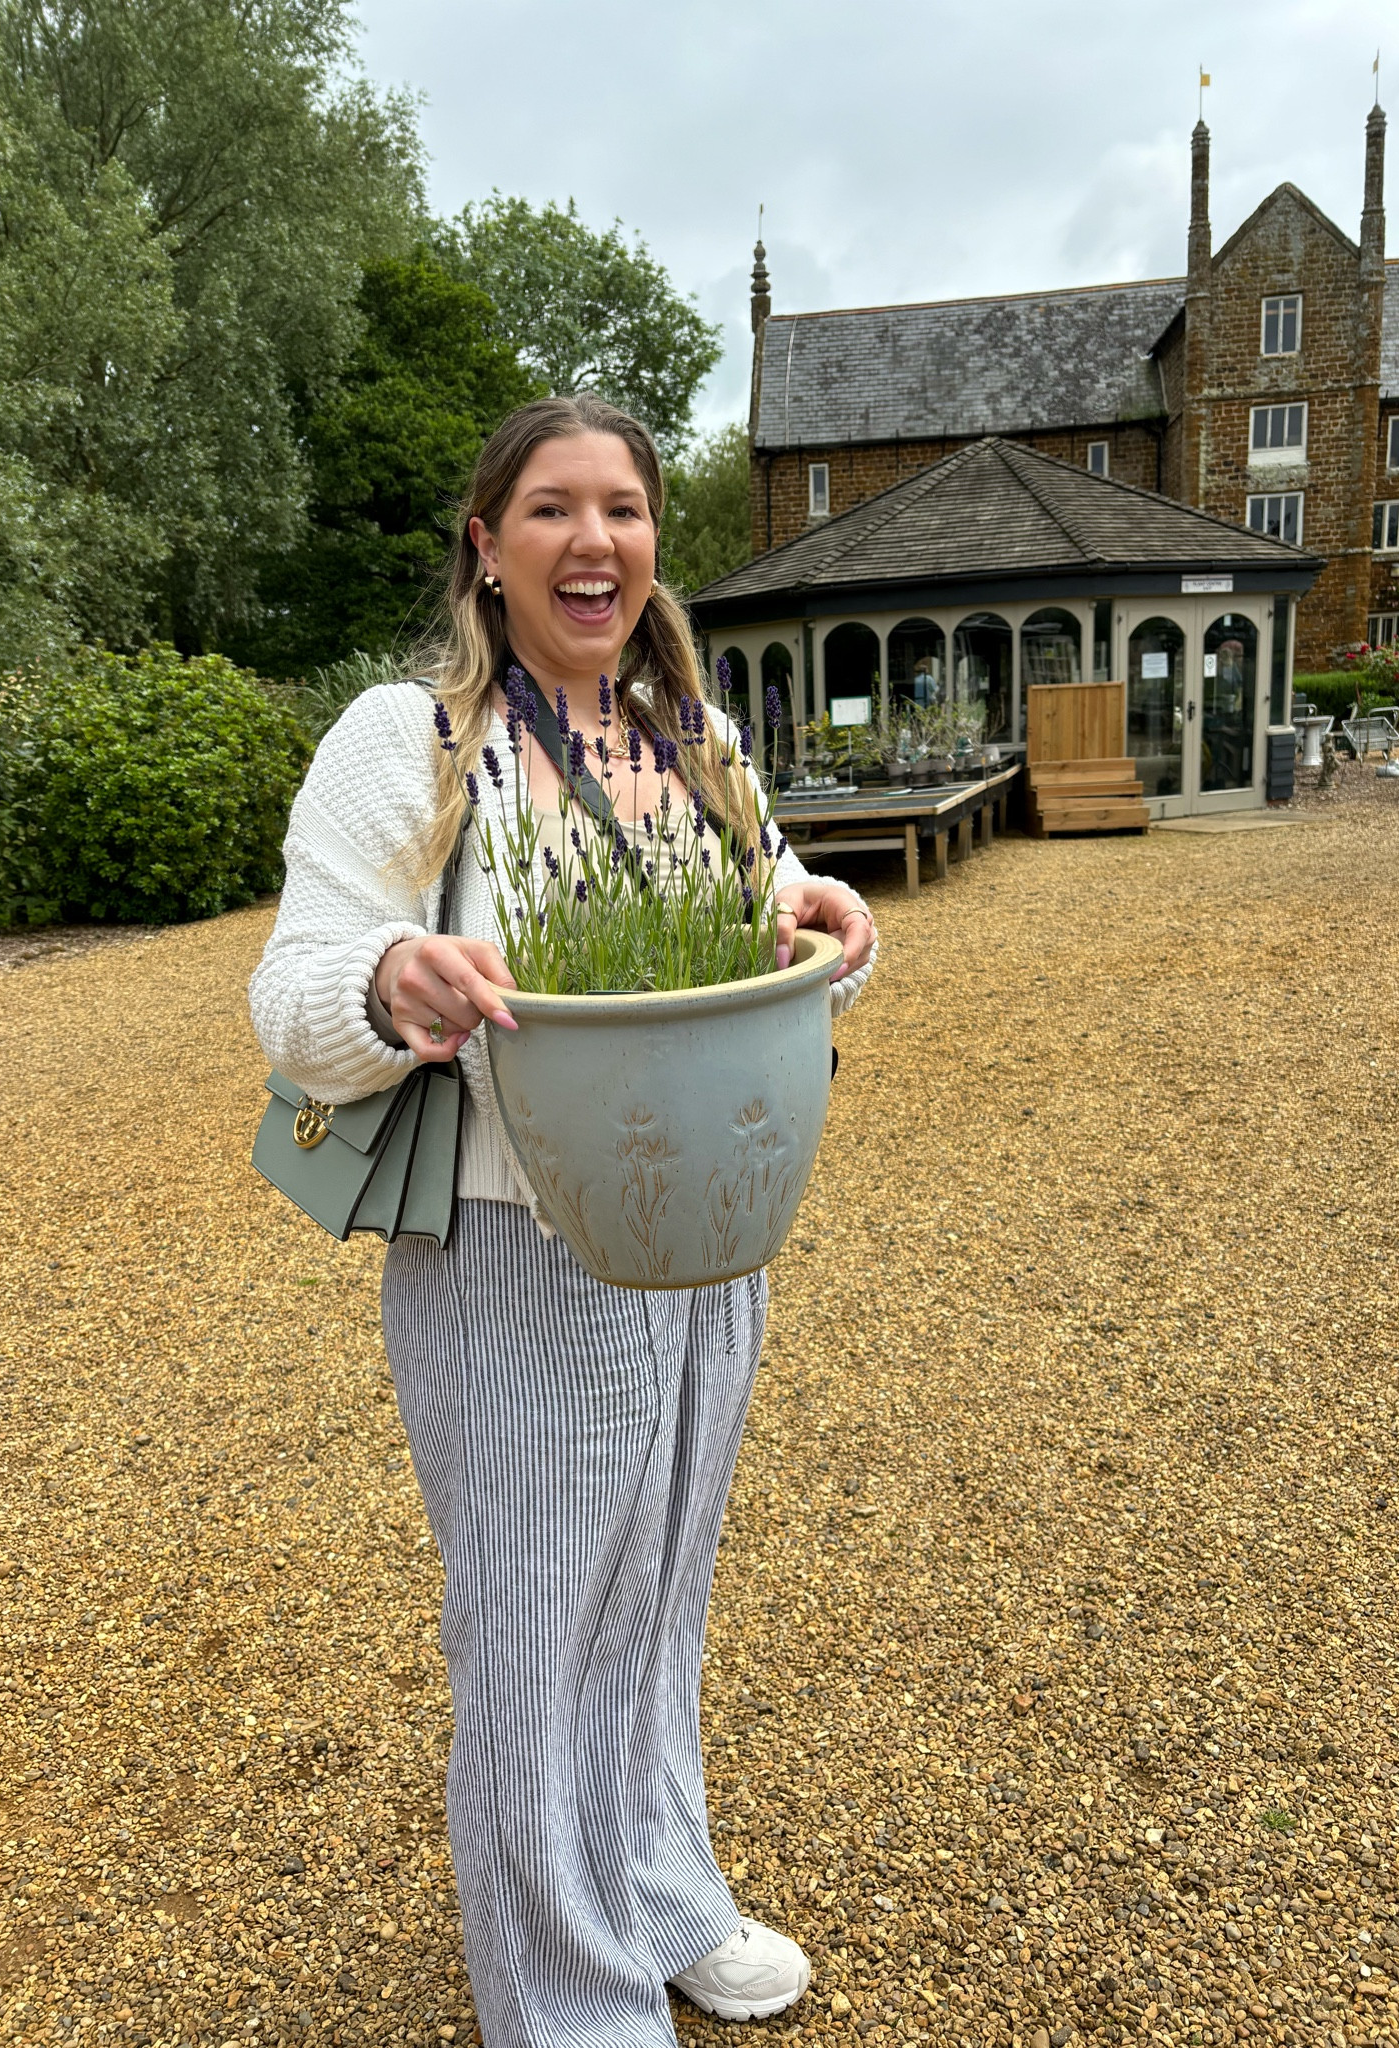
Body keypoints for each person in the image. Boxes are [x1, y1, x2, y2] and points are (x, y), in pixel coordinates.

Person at [250, 394, 878, 2048]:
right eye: (548, 509)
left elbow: (772, 929)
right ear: (488, 542)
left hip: (702, 1237)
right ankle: (565, 1995)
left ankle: (658, 1892)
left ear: (655, 540)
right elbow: (294, 994)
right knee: (534, 1623)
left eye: (621, 508)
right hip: (514, 1246)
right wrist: (393, 977)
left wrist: (822, 912)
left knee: (656, 1594)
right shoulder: (410, 737)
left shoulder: (696, 735)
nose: (590, 541)